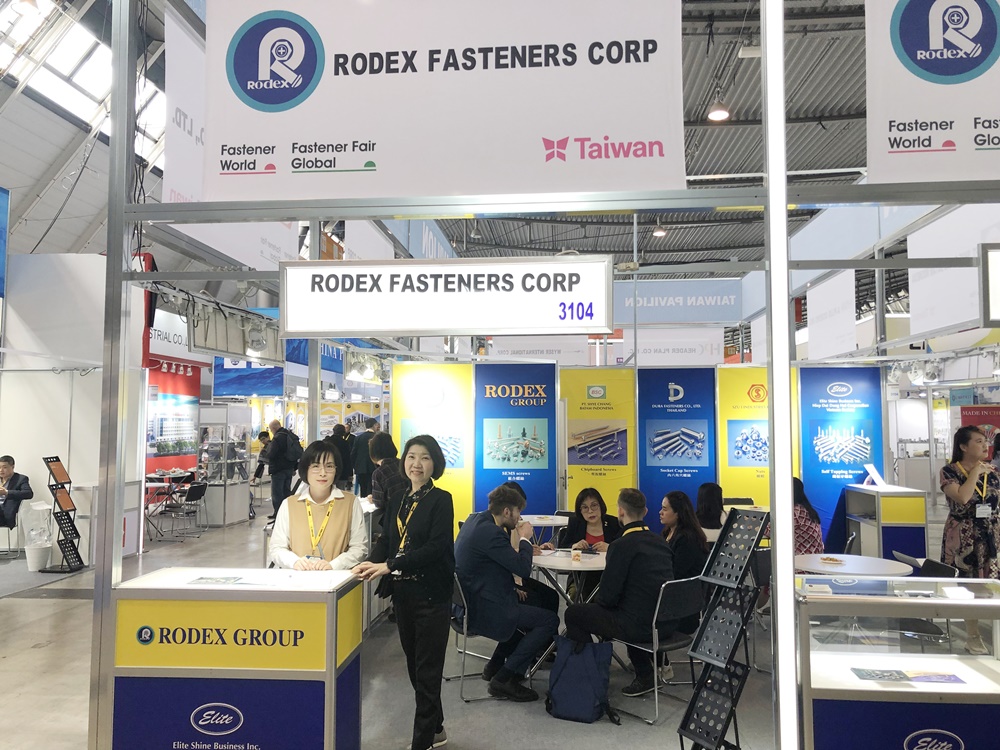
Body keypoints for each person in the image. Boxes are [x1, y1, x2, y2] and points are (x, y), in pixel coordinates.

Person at [353, 435, 455, 750]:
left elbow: (436, 548)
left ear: (435, 463)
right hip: (403, 595)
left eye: (425, 457)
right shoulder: (398, 498)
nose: (417, 464)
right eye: (411, 456)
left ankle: (422, 742)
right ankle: (436, 728)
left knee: (427, 671)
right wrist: (368, 563)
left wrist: (390, 564)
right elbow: (387, 538)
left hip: (431, 595)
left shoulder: (441, 499)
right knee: (415, 667)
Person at [564, 488, 674, 697]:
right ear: (645, 511)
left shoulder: (620, 546)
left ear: (621, 512)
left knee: (574, 613)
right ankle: (644, 672)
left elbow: (607, 598)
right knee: (634, 606)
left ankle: (589, 677)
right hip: (667, 622)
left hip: (638, 626)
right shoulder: (661, 541)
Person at [453, 484, 559, 702]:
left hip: (469, 601)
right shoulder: (492, 533)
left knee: (535, 601)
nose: (519, 518)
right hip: (482, 608)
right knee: (549, 620)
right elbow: (522, 569)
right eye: (518, 511)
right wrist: (525, 538)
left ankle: (496, 666)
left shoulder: (475, 520)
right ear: (507, 511)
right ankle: (504, 679)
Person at [940, 425, 1000, 655]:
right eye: (978, 441)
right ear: (963, 446)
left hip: (990, 534)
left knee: (991, 583)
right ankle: (973, 636)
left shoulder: (993, 472)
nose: (985, 445)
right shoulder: (949, 471)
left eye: (985, 441)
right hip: (963, 536)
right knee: (969, 584)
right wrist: (975, 472)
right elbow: (963, 498)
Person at [268, 441, 368, 570]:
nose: (323, 473)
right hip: (298, 577)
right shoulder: (289, 504)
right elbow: (277, 547)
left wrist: (334, 565)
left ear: (336, 470)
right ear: (305, 469)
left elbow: (359, 547)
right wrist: (295, 562)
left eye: (329, 466)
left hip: (336, 577)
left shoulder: (350, 503)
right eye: (316, 466)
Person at [757, 477, 824, 614]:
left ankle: (756, 609)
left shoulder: (792, 512)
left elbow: (768, 531)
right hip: (813, 563)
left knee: (761, 568)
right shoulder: (805, 509)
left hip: (800, 567)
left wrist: (750, 524)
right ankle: (759, 608)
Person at [540, 487, 622, 600]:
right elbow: (563, 548)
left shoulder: (614, 523)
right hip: (579, 576)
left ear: (601, 506)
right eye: (585, 507)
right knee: (576, 594)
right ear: (580, 511)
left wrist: (610, 547)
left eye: (594, 505)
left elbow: (624, 548)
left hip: (608, 575)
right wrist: (574, 546)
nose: (590, 511)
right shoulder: (575, 523)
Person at [266, 419, 298, 520]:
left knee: (277, 493)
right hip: (289, 468)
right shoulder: (290, 435)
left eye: (271, 430)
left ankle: (278, 514)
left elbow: (271, 454)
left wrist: (268, 448)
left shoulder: (277, 438)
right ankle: (287, 512)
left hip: (278, 469)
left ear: (274, 428)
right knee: (286, 491)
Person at [369, 431, 408, 511]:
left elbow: (379, 503)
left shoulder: (379, 473)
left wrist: (372, 499)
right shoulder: (403, 463)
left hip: (392, 512)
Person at [0, 456, 32, 529]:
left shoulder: (20, 479)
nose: (1, 470)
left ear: (12, 467)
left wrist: (6, 492)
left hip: (5, 514)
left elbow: (28, 493)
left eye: (4, 467)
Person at [352, 418, 380, 497]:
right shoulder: (377, 437)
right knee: (373, 490)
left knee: (363, 489)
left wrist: (355, 466)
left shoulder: (358, 438)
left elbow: (353, 454)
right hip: (374, 468)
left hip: (361, 468)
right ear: (374, 425)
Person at [329, 424, 355, 492]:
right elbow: (348, 460)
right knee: (340, 492)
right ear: (343, 433)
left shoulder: (327, 441)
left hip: (329, 471)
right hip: (342, 472)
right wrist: (350, 474)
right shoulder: (345, 444)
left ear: (333, 431)